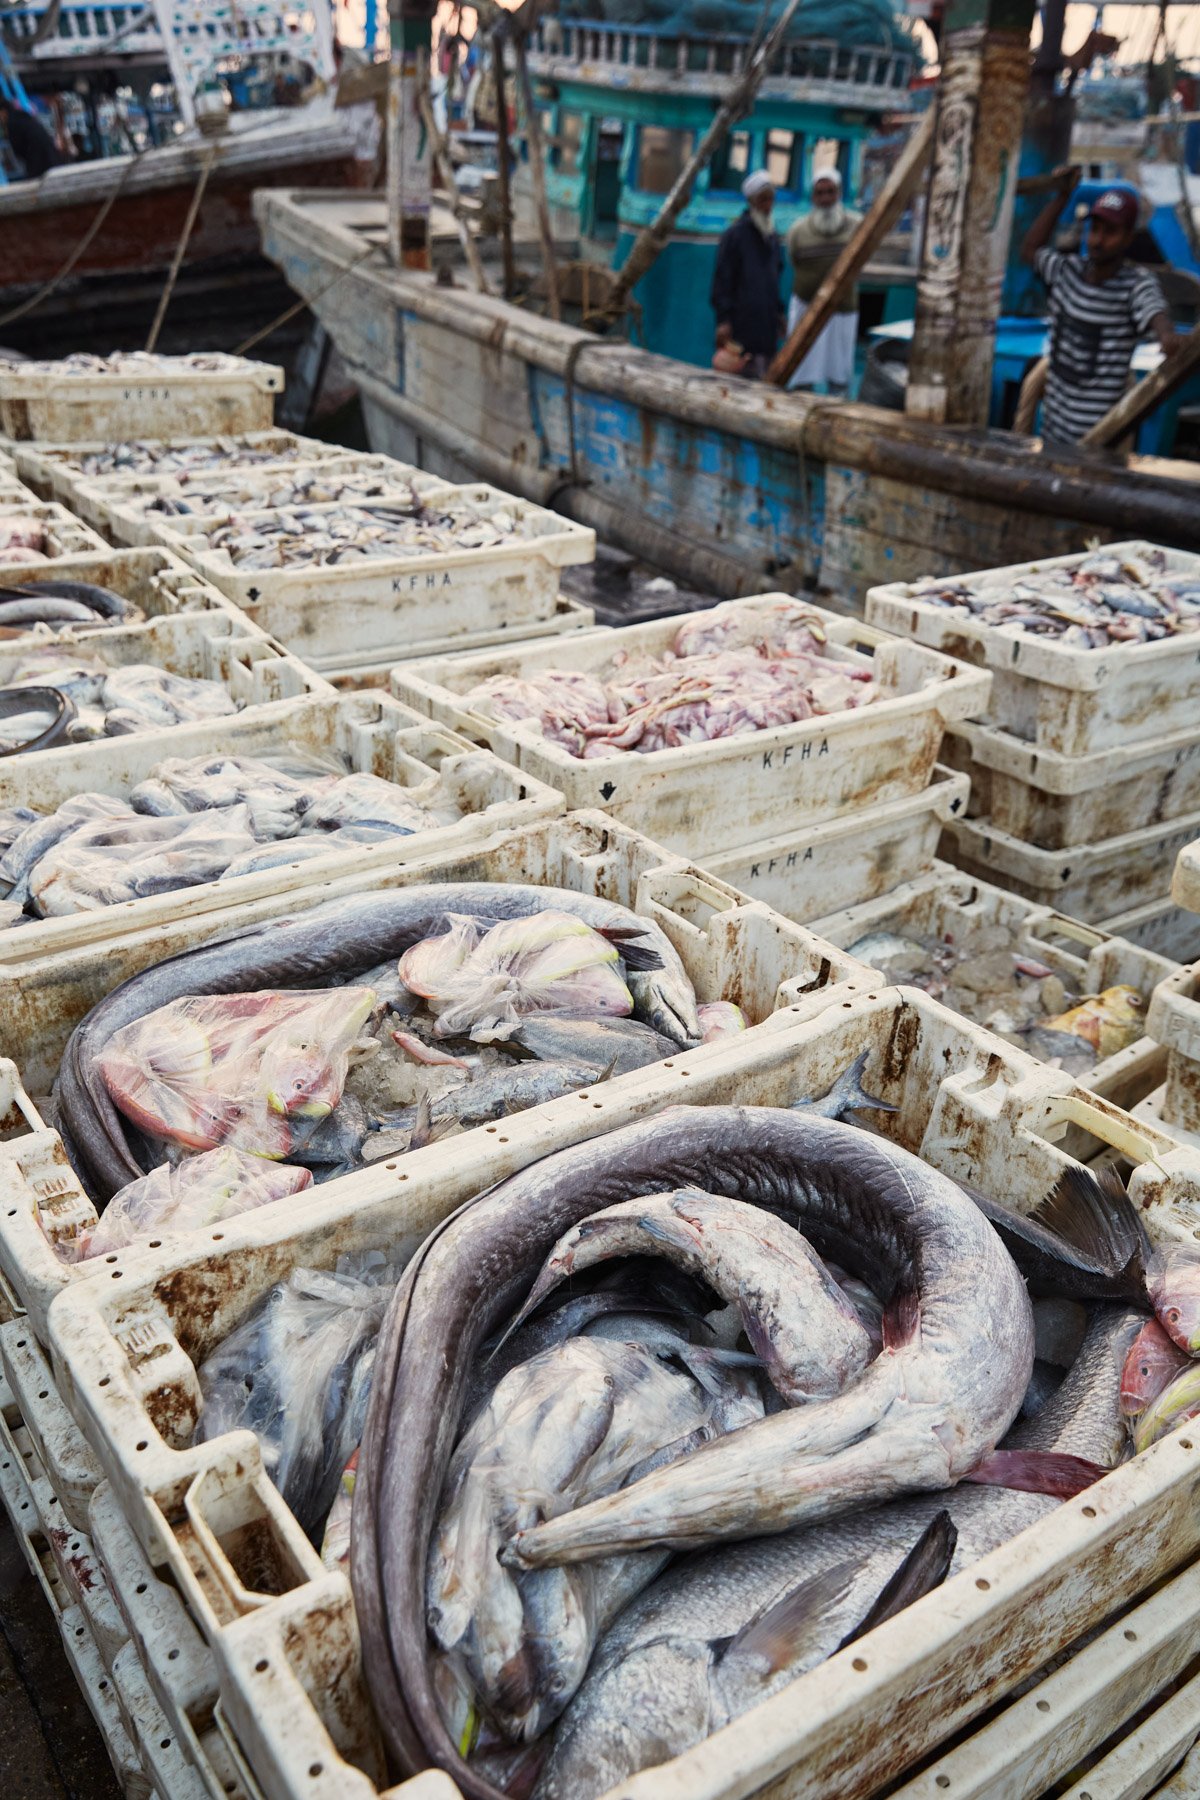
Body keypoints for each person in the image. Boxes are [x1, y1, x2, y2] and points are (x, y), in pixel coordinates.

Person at [1021, 173, 1180, 445]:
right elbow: (1030, 250)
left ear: (1128, 237)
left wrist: (1167, 336)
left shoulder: (1134, 285)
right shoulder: (1065, 271)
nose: (1097, 240)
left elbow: (1153, 310)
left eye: (1110, 233)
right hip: (1053, 439)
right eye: (1094, 229)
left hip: (1101, 444)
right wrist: (1061, 198)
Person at [784, 169, 863, 395]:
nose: (826, 198)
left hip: (842, 310)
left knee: (839, 372)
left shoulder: (857, 226)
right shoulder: (798, 231)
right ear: (813, 197)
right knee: (801, 369)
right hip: (805, 307)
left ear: (838, 193)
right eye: (820, 193)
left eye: (830, 192)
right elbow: (794, 259)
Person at [710, 170, 784, 379]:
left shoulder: (771, 237)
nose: (768, 205)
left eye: (770, 199)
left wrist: (779, 313)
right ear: (752, 201)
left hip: (766, 324)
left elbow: (775, 277)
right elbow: (722, 280)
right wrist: (723, 320)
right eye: (762, 200)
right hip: (741, 324)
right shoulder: (735, 235)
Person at [0, 98, 61, 179]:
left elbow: (18, 147)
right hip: (50, 155)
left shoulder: (12, 123)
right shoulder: (22, 115)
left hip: (37, 159)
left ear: (3, 112)